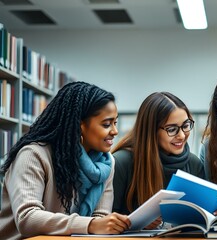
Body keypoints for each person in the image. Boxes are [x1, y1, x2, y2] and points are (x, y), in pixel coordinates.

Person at [0, 82, 130, 239]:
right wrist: (90, 225)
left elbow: (101, 219)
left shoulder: (106, 164)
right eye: (107, 124)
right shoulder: (33, 155)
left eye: (115, 122)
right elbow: (28, 219)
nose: (115, 131)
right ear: (79, 125)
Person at [111, 92, 204, 217]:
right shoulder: (121, 162)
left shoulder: (194, 163)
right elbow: (108, 221)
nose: (182, 135)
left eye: (185, 125)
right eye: (171, 129)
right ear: (151, 130)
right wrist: (135, 220)